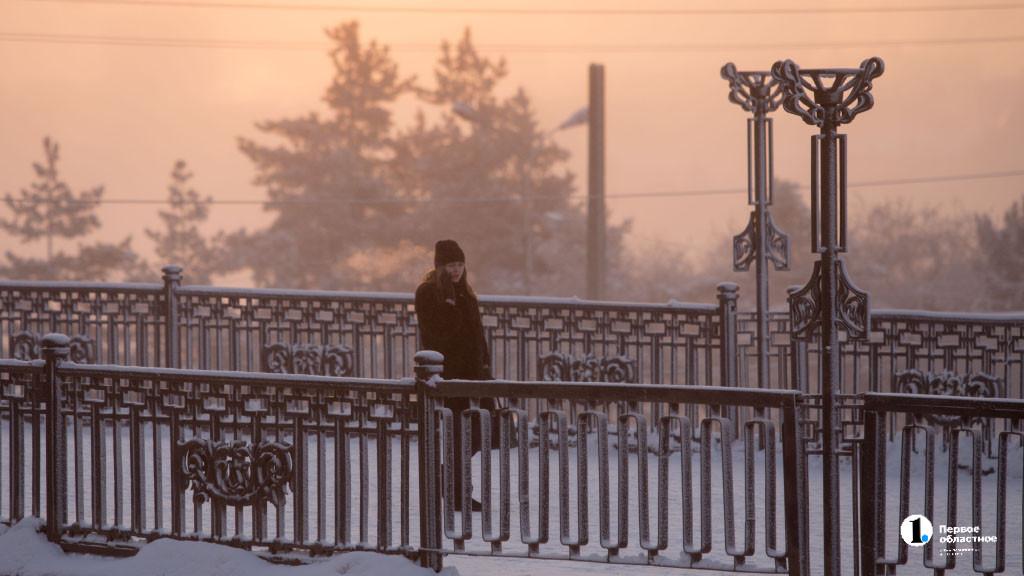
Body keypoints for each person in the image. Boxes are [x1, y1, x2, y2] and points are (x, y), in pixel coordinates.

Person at [414, 240, 494, 512]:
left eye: (460, 265)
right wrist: (448, 304)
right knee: (459, 433)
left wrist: (485, 366)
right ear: (440, 266)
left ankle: (446, 476)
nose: (456, 270)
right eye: (451, 265)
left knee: (485, 431)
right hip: (449, 375)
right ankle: (457, 491)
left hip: (475, 376)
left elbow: (477, 335)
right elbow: (438, 334)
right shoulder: (428, 293)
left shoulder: (465, 293)